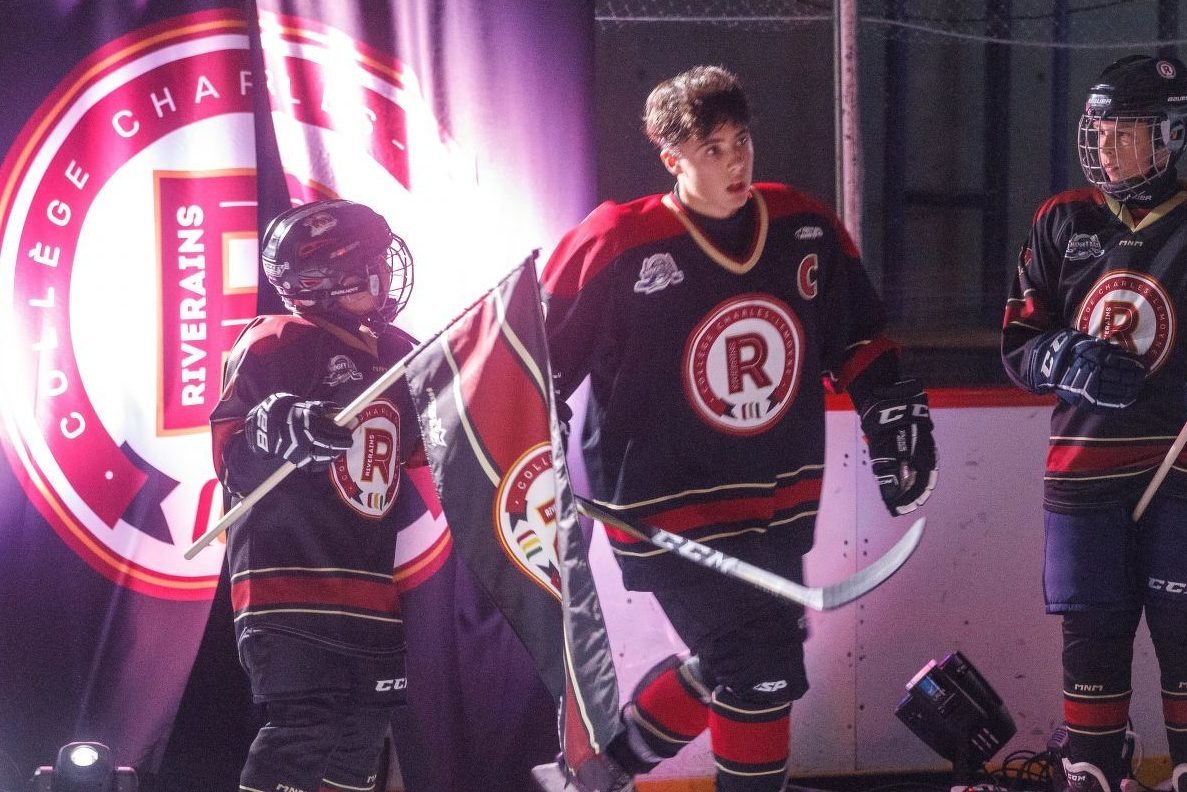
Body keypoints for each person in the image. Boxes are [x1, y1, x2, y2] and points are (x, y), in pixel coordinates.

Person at [531, 65, 937, 792]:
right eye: (712, 149)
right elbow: (533, 364)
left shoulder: (802, 226)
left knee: (740, 660)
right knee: (759, 672)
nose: (735, 161)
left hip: (774, 501)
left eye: (741, 141)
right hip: (662, 506)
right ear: (672, 159)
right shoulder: (616, 241)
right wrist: (535, 447)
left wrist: (890, 413)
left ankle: (593, 774)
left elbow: (857, 335)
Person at [1001, 54, 1187, 792]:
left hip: (1179, 473)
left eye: (1124, 132)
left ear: (1170, 135)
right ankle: (1095, 771)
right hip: (1083, 472)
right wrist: (1063, 358)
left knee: (1183, 635)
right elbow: (1018, 345)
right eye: (1099, 132)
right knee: (1092, 640)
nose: (1105, 148)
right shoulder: (1062, 219)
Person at [210, 198, 421, 792]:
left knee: (361, 744)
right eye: (373, 261)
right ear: (329, 276)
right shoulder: (277, 341)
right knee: (302, 732)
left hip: (370, 588)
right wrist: (271, 425)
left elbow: (438, 449)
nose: (386, 273)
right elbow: (232, 461)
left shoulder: (399, 353)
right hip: (289, 583)